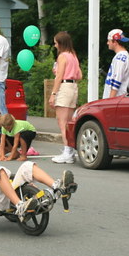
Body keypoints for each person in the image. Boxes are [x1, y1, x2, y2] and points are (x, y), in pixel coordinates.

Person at [0, 134, 74, 223]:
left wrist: (25, 185)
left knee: (27, 166)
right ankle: (20, 206)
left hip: (7, 194)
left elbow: (4, 181)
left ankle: (58, 188)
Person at [49, 31, 82, 164]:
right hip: (73, 87)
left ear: (61, 43)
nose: (55, 45)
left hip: (64, 87)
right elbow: (79, 75)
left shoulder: (62, 56)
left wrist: (53, 94)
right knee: (69, 121)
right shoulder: (73, 56)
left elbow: (59, 76)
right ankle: (70, 150)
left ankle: (67, 151)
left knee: (62, 122)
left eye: (56, 43)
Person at [103, 29, 129, 99]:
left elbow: (116, 81)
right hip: (119, 99)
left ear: (115, 42)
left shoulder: (120, 58)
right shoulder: (122, 56)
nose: (107, 43)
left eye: (109, 41)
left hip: (117, 100)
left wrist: (110, 101)